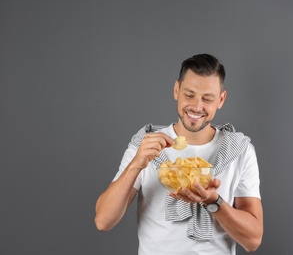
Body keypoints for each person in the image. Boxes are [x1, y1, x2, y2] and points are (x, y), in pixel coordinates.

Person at [95, 53, 263, 254]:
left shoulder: (239, 150)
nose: (196, 107)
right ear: (176, 89)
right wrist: (135, 165)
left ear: (221, 99)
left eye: (207, 99)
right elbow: (103, 221)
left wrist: (214, 202)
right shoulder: (145, 144)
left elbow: (253, 240)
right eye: (189, 95)